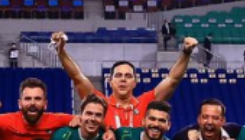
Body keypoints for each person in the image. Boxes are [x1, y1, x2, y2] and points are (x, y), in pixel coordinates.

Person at [54, 32, 197, 130]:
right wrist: (61, 52)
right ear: (110, 81)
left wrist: (186, 53)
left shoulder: (146, 102)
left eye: (128, 76)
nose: (123, 79)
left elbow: (172, 79)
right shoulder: (99, 104)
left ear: (135, 82)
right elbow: (77, 77)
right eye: (118, 76)